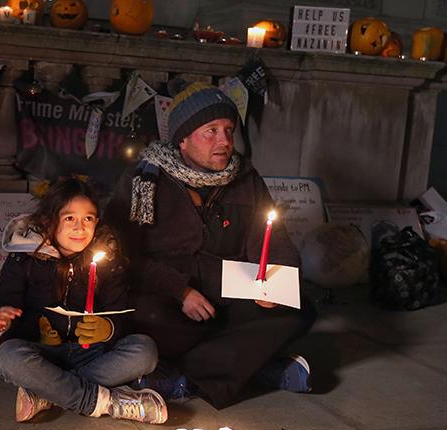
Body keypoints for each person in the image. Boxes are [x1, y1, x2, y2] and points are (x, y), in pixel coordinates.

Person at [105, 81, 316, 410]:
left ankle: (183, 377)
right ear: (183, 139)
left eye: (229, 130)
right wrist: (181, 291)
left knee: (299, 308)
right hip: (167, 295)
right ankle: (252, 364)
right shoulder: (143, 180)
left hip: (226, 289)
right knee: (147, 317)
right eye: (212, 131)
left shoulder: (245, 179)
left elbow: (273, 240)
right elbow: (121, 255)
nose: (225, 142)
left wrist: (275, 283)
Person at [0, 177, 167, 424]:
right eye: (69, 218)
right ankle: (105, 402)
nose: (80, 227)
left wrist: (108, 330)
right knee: (7, 356)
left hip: (92, 354)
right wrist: (2, 319)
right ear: (50, 220)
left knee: (145, 350)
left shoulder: (108, 259)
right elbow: (3, 304)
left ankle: (49, 393)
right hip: (44, 353)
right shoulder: (25, 257)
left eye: (89, 218)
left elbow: (121, 313)